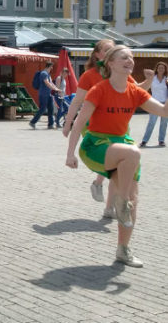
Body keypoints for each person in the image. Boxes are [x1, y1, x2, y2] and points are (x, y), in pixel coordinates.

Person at [66, 45, 168, 268]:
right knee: (133, 153)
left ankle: (123, 249)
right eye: (124, 57)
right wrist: (70, 154)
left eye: (131, 57)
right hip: (96, 146)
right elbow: (80, 123)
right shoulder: (99, 89)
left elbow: (163, 112)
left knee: (133, 199)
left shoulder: (135, 91)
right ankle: (119, 201)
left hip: (123, 148)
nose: (130, 60)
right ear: (110, 63)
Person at [62, 39, 153, 217]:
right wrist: (67, 123)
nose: (112, 52)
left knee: (120, 166)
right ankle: (100, 184)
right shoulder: (90, 75)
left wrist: (149, 80)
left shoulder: (121, 71)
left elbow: (137, 91)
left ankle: (109, 205)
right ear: (98, 55)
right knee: (113, 162)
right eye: (107, 50)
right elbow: (77, 101)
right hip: (94, 125)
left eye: (114, 49)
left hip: (119, 125)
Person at [139, 61, 168, 147]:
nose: (161, 69)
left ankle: (161, 140)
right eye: (159, 68)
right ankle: (144, 141)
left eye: (163, 68)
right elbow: (145, 72)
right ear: (157, 69)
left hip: (165, 103)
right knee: (151, 122)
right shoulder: (152, 78)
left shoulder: (166, 79)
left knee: (164, 123)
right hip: (154, 102)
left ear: (165, 69)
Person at [29, 62, 62, 129]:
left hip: (48, 94)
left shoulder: (48, 74)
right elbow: (47, 83)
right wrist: (55, 89)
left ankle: (50, 124)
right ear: (49, 66)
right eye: (52, 67)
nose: (52, 68)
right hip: (43, 94)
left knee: (51, 109)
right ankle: (32, 122)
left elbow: (51, 83)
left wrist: (56, 89)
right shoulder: (43, 73)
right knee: (43, 109)